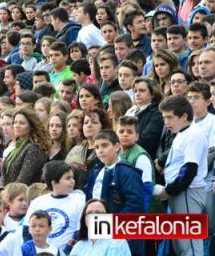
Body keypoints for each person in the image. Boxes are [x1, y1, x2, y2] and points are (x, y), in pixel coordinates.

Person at [157, 95, 208, 256]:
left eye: (170, 117)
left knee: (190, 245)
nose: (166, 122)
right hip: (181, 193)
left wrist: (169, 190)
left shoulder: (193, 135)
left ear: (184, 116)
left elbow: (189, 170)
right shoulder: (182, 133)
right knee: (181, 245)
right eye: (164, 117)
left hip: (188, 193)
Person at [84, 130, 145, 255]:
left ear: (117, 147)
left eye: (105, 145)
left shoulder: (127, 172)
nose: (100, 150)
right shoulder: (96, 171)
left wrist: (109, 225)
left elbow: (135, 206)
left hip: (122, 235)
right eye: (97, 147)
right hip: (98, 233)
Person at [24, 161, 85, 254]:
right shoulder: (38, 202)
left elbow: (79, 232)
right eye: (68, 178)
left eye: (73, 177)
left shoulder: (79, 201)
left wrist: (66, 252)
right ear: (54, 182)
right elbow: (26, 230)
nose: (73, 181)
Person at [0, 108, 49, 186]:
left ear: (31, 126)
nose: (17, 126)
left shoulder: (34, 149)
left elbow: (23, 180)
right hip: (8, 194)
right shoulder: (16, 147)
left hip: (23, 196)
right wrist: (0, 190)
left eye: (22, 123)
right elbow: (3, 177)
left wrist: (7, 194)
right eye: (15, 122)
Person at [116, 117, 154, 210]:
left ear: (137, 136)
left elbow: (147, 187)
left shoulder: (140, 157)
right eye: (121, 131)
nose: (125, 134)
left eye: (129, 132)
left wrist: (140, 212)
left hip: (140, 209)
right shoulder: (117, 153)